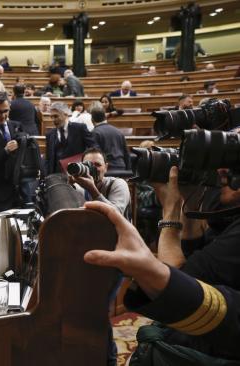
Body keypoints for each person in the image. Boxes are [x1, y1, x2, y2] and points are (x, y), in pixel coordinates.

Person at [83, 182, 240, 361]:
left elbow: (184, 285)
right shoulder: (225, 216)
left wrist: (171, 210)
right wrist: (190, 204)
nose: (220, 172)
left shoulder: (118, 184)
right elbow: (199, 262)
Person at [44, 102, 96, 175]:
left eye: (56, 116)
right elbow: (48, 158)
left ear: (65, 114)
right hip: (56, 176)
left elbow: (93, 148)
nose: (53, 120)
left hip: (76, 174)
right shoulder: (50, 134)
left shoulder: (79, 128)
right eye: (51, 117)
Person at [90, 104, 130, 171]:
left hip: (107, 169)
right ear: (105, 117)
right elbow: (126, 153)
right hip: (122, 167)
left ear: (92, 119)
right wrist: (128, 171)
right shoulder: (118, 132)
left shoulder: (94, 133)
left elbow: (96, 154)